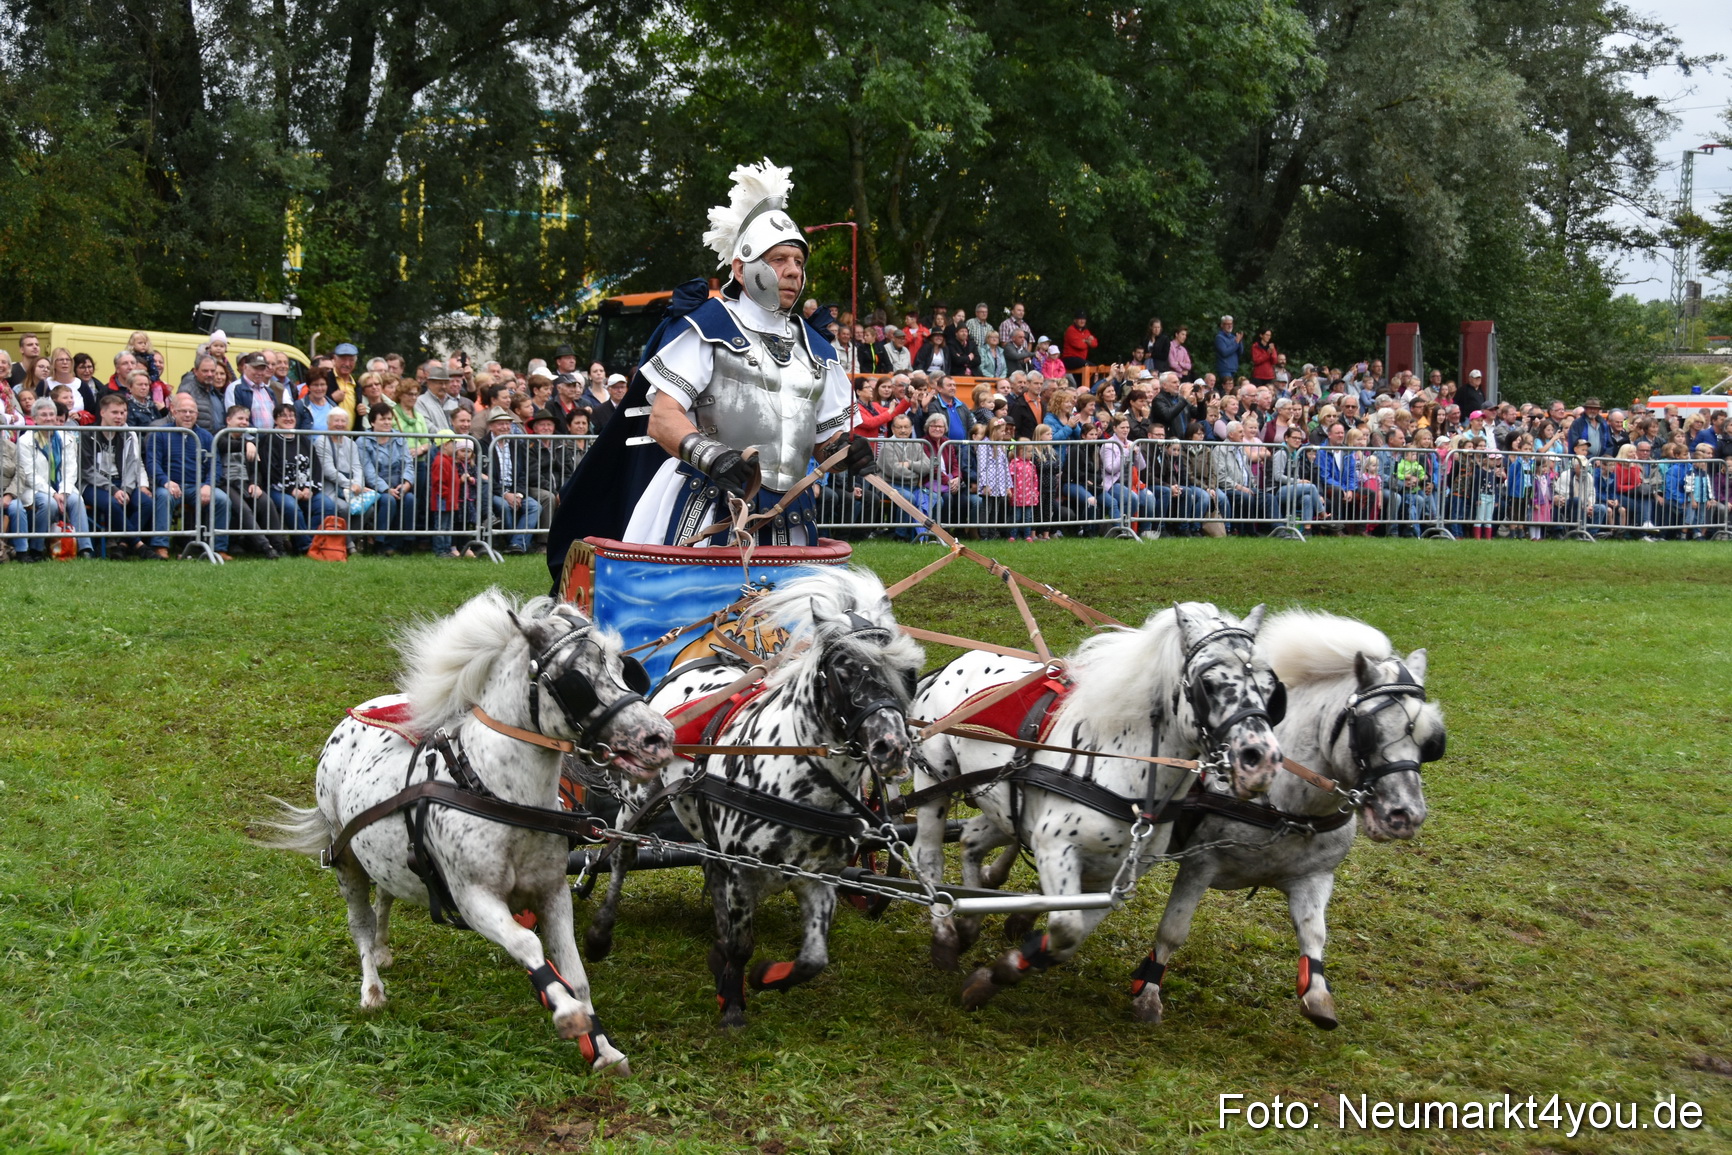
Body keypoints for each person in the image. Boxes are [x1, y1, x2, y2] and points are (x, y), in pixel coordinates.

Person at [548, 160, 865, 573]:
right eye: (779, 259)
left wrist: (845, 452)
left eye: (799, 261)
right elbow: (662, 418)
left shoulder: (817, 348)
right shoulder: (708, 328)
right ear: (741, 268)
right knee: (690, 605)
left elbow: (824, 438)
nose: (792, 271)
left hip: (790, 513)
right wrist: (713, 456)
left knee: (794, 609)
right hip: (704, 504)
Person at [15, 397, 95, 560]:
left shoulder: (66, 438)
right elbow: (29, 474)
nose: (49, 418)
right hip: (35, 488)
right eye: (43, 415)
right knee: (49, 503)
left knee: (76, 500)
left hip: (63, 488)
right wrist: (53, 493)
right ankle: (37, 549)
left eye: (51, 414)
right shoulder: (25, 441)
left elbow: (71, 469)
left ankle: (85, 548)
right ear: (35, 418)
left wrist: (63, 491)